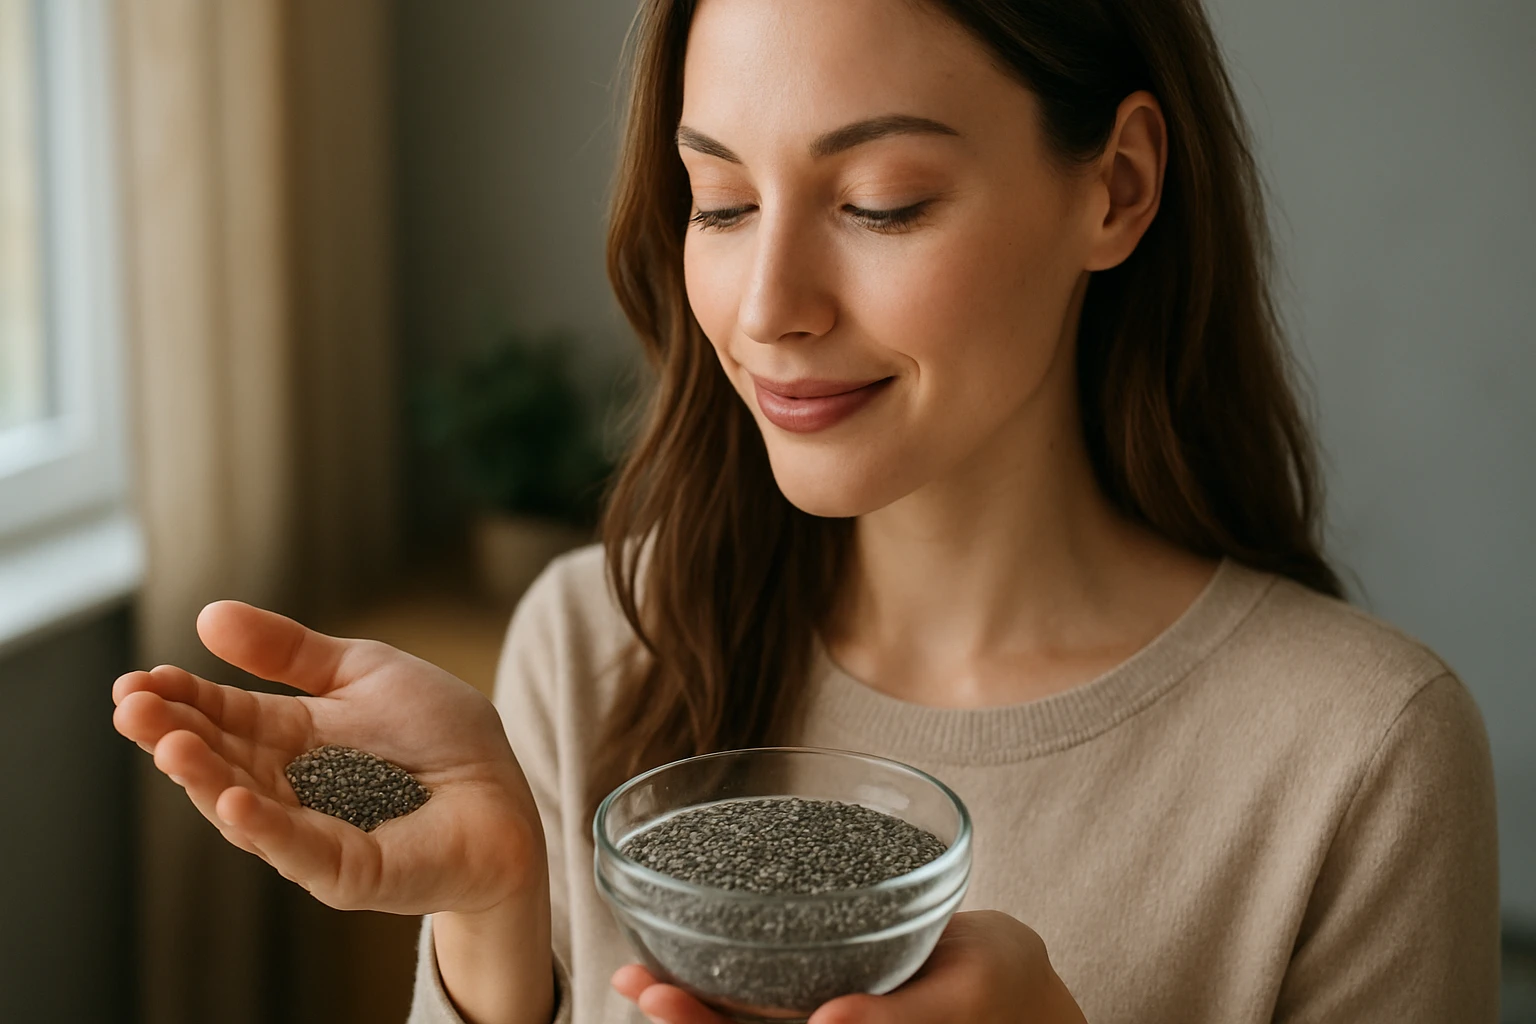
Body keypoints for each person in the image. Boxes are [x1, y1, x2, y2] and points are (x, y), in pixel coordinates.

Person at [110, 0, 1502, 1021]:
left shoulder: (1356, 762)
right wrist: (494, 925)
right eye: (719, 199)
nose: (769, 308)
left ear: (1117, 190)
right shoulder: (595, 646)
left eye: (883, 204)